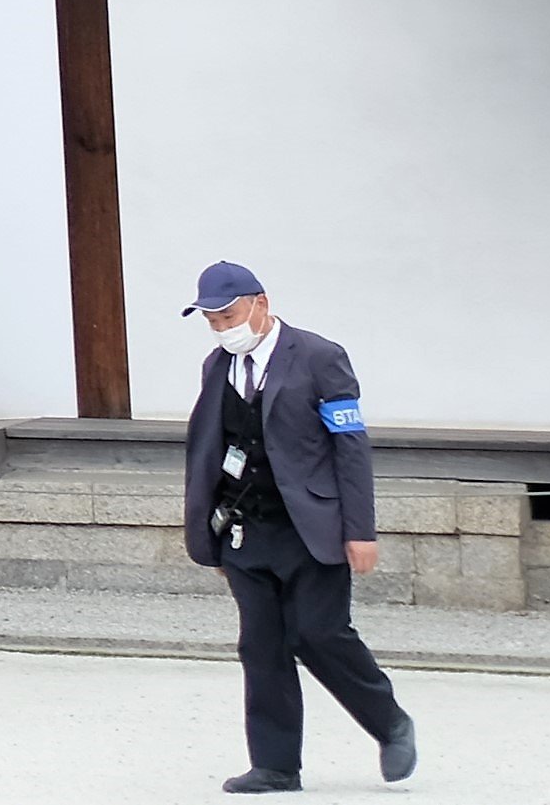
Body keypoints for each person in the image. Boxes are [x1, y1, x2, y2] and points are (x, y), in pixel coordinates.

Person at [180, 260, 418, 793]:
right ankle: (275, 764)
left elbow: (350, 449)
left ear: (260, 303)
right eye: (211, 320)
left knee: (319, 634)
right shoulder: (217, 366)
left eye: (228, 315)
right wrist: (209, 537)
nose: (221, 328)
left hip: (311, 526)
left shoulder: (319, 357)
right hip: (245, 527)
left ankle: (390, 722)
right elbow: (209, 451)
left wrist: (361, 529)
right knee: (260, 645)